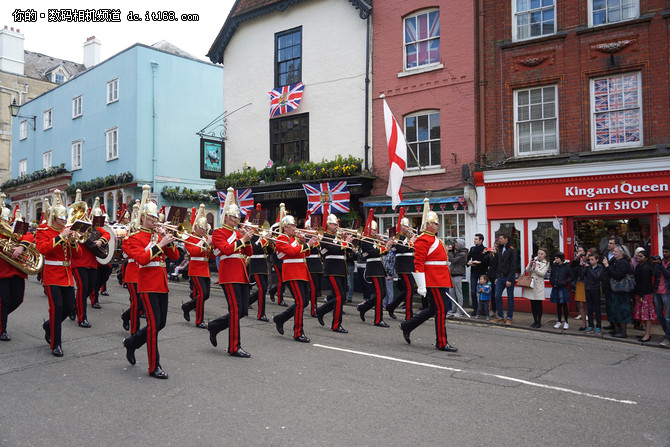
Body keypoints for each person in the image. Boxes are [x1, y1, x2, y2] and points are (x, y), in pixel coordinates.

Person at [122, 185, 180, 378]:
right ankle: (154, 366)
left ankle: (132, 342)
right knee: (154, 326)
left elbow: (175, 255)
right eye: (152, 217)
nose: (156, 220)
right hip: (147, 284)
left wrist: (166, 239)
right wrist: (159, 244)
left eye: (157, 217)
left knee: (161, 323)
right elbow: (142, 259)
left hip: (162, 283)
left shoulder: (158, 235)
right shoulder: (133, 238)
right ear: (144, 218)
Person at [399, 201, 457, 352]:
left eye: (438, 223)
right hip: (433, 279)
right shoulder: (423, 239)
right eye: (435, 223)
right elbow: (418, 262)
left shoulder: (435, 239)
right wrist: (422, 284)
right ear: (429, 225)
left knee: (433, 309)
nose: (438, 225)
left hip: (440, 278)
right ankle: (441, 342)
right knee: (442, 310)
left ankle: (407, 325)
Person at [36, 190, 82, 357]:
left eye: (65, 218)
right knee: (57, 308)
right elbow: (43, 249)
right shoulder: (43, 231)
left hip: (67, 274)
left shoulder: (68, 231)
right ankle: (56, 344)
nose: (64, 221)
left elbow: (78, 256)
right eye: (61, 219)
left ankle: (49, 326)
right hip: (52, 274)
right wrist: (60, 237)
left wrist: (74, 242)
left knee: (69, 307)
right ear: (53, 218)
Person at [208, 189, 254, 356]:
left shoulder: (236, 232)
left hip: (240, 273)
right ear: (226, 217)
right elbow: (226, 250)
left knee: (242, 311)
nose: (237, 220)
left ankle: (215, 326)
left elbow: (248, 253)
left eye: (238, 217)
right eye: (234, 217)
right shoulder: (219, 232)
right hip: (229, 275)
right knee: (235, 310)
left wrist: (247, 239)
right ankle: (234, 347)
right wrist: (242, 239)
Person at [272, 207, 318, 343]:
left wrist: (305, 242)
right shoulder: (282, 238)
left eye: (294, 224)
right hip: (292, 272)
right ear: (285, 227)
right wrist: (306, 244)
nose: (295, 227)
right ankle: (298, 332)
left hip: (302, 271)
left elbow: (306, 253)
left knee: (304, 302)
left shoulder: (296, 239)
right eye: (292, 225)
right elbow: (291, 252)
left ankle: (281, 318)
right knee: (299, 302)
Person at [0, 198, 33, 341]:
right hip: (1, 271)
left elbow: (29, 235)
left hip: (17, 269)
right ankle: (2, 330)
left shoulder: (12, 228)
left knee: (18, 299)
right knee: (3, 301)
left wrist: (21, 247)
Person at [315, 214, 353, 333]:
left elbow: (347, 252)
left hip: (341, 269)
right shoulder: (325, 236)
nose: (336, 226)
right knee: (339, 297)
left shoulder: (338, 238)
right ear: (328, 225)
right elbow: (334, 248)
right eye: (334, 224)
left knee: (341, 297)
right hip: (331, 269)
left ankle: (321, 311)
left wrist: (348, 243)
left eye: (337, 224)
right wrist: (344, 242)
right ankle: (336, 325)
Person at [181, 205, 214, 328]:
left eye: (206, 228)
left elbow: (212, 256)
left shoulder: (205, 238)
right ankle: (199, 320)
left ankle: (187, 306)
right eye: (202, 228)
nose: (205, 230)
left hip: (205, 268)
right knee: (202, 293)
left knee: (206, 295)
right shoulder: (190, 238)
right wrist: (206, 243)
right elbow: (193, 252)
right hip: (195, 268)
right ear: (196, 227)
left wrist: (213, 246)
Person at [357, 219, 393, 327]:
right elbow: (373, 253)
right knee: (379, 294)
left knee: (383, 293)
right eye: (373, 229)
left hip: (379, 268)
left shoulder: (374, 240)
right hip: (373, 268)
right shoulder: (365, 240)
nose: (375, 231)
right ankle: (378, 319)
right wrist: (385, 247)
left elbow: (383, 252)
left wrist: (387, 245)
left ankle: (364, 307)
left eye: (376, 229)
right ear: (368, 229)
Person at [386, 215, 416, 320]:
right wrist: (411, 241)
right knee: (409, 289)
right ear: (402, 227)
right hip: (403, 266)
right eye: (407, 227)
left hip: (409, 266)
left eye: (408, 227)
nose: (409, 229)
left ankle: (391, 307)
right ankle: (409, 314)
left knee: (408, 290)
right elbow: (401, 249)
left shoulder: (407, 237)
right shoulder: (396, 236)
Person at [120, 202, 143, 335]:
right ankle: (135, 330)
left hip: (144, 274)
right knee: (136, 302)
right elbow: (131, 253)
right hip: (133, 273)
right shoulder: (127, 240)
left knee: (142, 303)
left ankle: (126, 316)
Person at [602, 245, 633, 338]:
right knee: (614, 310)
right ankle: (617, 330)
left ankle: (623, 332)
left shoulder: (623, 263)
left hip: (621, 291)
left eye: (616, 251)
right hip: (614, 290)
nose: (614, 253)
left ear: (621, 253)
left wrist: (607, 266)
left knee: (621, 312)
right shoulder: (617, 261)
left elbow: (618, 275)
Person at [522, 248, 550, 328]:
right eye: (539, 253)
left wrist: (535, 267)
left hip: (539, 284)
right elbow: (527, 270)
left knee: (538, 303)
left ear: (545, 255)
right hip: (531, 283)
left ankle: (539, 321)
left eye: (541, 254)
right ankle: (534, 321)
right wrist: (530, 265)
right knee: (532, 303)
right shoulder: (534, 259)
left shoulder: (546, 263)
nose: (540, 255)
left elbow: (542, 274)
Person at [493, 233, 516, 325]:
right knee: (497, 296)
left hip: (508, 277)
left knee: (510, 298)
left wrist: (510, 279)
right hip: (500, 277)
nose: (500, 240)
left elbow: (513, 265)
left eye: (501, 238)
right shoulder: (500, 249)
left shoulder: (512, 250)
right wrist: (497, 277)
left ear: (506, 239)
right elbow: (498, 264)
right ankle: (500, 316)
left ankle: (509, 317)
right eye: (499, 239)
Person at [633, 249, 655, 343]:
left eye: (640, 256)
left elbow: (646, 283)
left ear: (646, 258)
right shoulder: (638, 266)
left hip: (645, 294)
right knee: (643, 315)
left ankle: (647, 334)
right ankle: (646, 333)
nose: (638, 257)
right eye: (637, 256)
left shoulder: (646, 268)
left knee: (647, 315)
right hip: (639, 293)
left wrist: (641, 295)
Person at [651, 246, 670, 347]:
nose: (664, 253)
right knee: (659, 315)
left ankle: (668, 337)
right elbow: (654, 274)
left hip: (667, 292)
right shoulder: (661, 261)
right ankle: (667, 333)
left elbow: (667, 275)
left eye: (666, 252)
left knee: (668, 317)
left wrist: (660, 265)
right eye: (663, 251)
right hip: (658, 291)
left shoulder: (664, 263)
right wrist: (655, 265)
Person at [582, 251, 605, 334]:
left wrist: (589, 268)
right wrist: (584, 267)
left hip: (595, 289)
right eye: (590, 259)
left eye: (592, 260)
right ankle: (590, 325)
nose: (590, 261)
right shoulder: (587, 267)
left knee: (597, 308)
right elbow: (582, 275)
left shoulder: (600, 267)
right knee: (589, 308)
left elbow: (596, 277)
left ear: (597, 260)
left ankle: (598, 326)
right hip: (588, 288)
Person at [467, 233, 489, 315]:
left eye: (476, 239)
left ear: (481, 240)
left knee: (482, 291)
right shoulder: (472, 249)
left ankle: (483, 309)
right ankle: (475, 309)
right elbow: (468, 258)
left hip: (482, 273)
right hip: (473, 272)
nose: (474, 240)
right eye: (474, 239)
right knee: (473, 291)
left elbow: (486, 262)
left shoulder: (485, 249)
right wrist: (468, 263)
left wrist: (478, 261)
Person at [550, 252, 573, 330]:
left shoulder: (566, 266)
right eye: (555, 258)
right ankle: (559, 321)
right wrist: (551, 282)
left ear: (561, 259)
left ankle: (566, 322)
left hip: (562, 287)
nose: (556, 260)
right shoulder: (554, 266)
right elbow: (551, 275)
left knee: (564, 305)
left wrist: (565, 282)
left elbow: (572, 277)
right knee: (558, 305)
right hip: (556, 287)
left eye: (557, 258)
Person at [447, 238, 468, 317]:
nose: (455, 246)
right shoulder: (456, 252)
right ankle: (453, 309)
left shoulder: (463, 254)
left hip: (458, 275)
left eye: (456, 245)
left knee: (458, 293)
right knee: (452, 293)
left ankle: (460, 310)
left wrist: (450, 252)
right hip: (452, 274)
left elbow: (453, 260)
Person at [571, 246, 588, 330]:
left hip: (587, 284)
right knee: (580, 302)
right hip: (578, 283)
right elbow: (572, 267)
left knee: (587, 303)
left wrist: (584, 265)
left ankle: (588, 318)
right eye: (578, 251)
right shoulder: (577, 261)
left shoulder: (588, 261)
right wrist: (577, 259)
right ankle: (583, 321)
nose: (579, 252)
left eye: (581, 251)